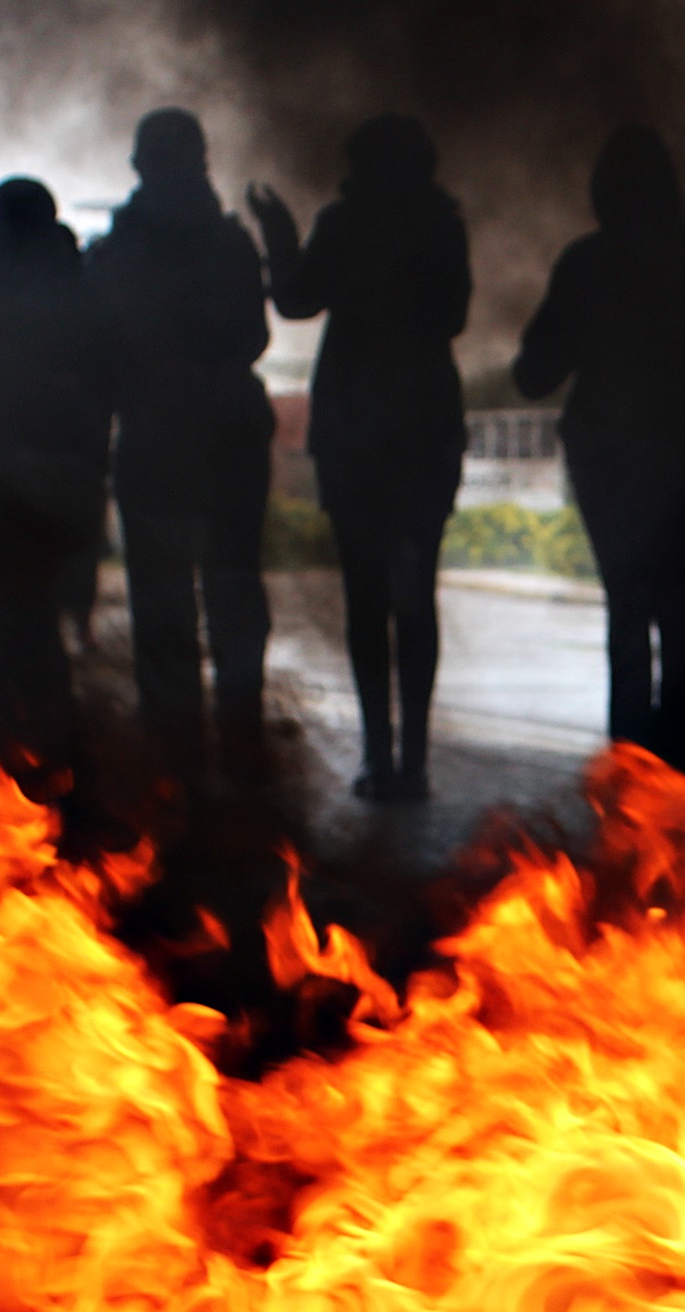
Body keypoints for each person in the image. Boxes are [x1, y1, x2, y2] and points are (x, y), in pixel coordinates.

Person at [512, 124, 685, 775]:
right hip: (681, 447)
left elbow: (535, 371)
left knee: (628, 603)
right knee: (676, 599)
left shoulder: (586, 262)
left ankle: (631, 751)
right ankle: (677, 757)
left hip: (607, 456)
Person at [251, 114, 469, 803]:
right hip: (423, 428)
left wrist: (282, 237)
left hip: (357, 431)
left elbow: (294, 299)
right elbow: (453, 316)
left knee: (368, 600)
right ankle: (413, 761)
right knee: (413, 597)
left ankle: (381, 757)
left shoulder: (344, 222)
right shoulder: (441, 221)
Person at [86, 108, 277, 790]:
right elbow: (254, 339)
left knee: (164, 606)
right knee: (232, 594)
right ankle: (244, 754)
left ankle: (175, 766)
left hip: (157, 438)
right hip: (228, 436)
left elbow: (97, 353)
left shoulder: (116, 252)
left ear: (140, 167)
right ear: (200, 163)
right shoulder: (230, 244)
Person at [0, 178, 114, 784]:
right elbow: (107, 380)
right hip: (59, 471)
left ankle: (21, 749)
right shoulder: (79, 289)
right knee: (32, 612)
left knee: (16, 614)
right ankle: (41, 746)